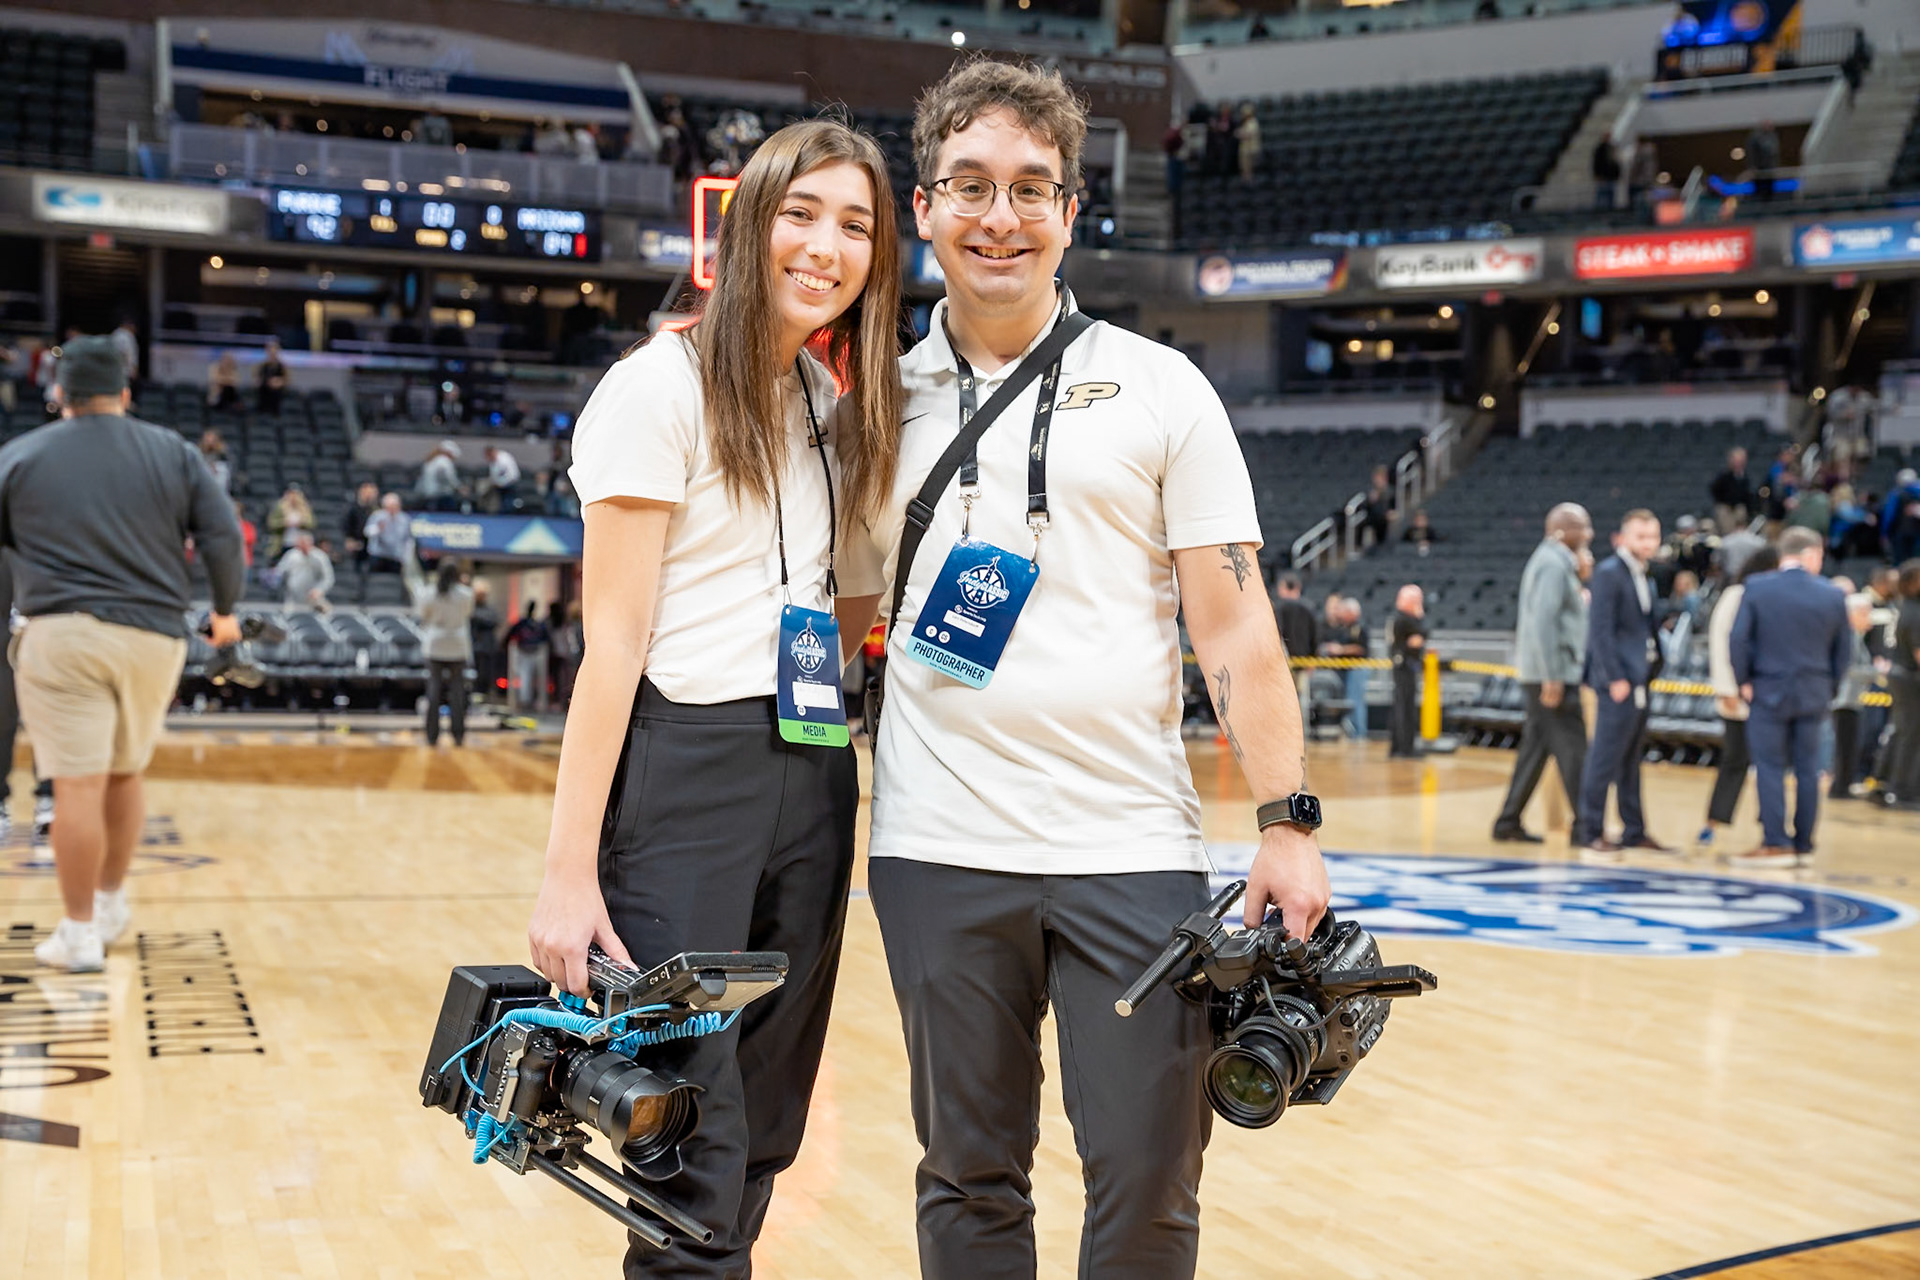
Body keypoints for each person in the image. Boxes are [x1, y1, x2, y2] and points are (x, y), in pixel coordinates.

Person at [849, 61, 1327, 1280]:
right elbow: (840, 605)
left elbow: (1233, 628)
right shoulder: (865, 406)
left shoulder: (1166, 387)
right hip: (937, 847)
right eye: (970, 186)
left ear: (1070, 209)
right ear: (925, 204)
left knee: (1152, 1183)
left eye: (1029, 188)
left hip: (1131, 850)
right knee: (968, 1174)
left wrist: (1287, 822)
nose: (998, 217)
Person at [524, 117, 902, 1280]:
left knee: (768, 1121)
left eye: (855, 224)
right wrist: (566, 867)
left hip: (815, 759)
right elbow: (614, 645)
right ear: (749, 223)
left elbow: (845, 604)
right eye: (802, 212)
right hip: (684, 770)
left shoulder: (829, 406)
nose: (826, 245)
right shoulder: (653, 389)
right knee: (689, 1128)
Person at [0, 336, 244, 971]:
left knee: (75, 783)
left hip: (63, 637)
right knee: (124, 772)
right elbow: (221, 533)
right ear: (125, 392)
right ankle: (108, 904)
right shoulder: (173, 452)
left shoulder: (20, 456)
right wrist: (223, 613)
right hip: (154, 637)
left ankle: (79, 934)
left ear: (58, 394)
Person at [1729, 527, 1851, 867]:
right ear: (1811, 555)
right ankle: (1804, 844)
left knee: (1768, 768)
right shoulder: (1832, 594)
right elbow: (1843, 652)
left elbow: (1738, 639)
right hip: (1814, 692)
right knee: (1808, 770)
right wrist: (1830, 687)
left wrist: (1744, 681)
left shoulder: (1757, 588)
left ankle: (1775, 841)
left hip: (1768, 690)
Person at [1575, 509, 1671, 859]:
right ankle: (1590, 831)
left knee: (1630, 760)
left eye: (1653, 536)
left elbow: (1645, 627)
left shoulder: (1643, 575)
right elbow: (1600, 631)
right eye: (1641, 536)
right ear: (1624, 538)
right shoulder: (1609, 573)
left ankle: (1634, 830)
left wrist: (1656, 665)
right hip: (1619, 682)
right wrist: (1614, 676)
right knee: (1604, 758)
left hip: (1640, 679)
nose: (1648, 543)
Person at [1493, 503, 1591, 843]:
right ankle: (1586, 826)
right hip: (1553, 674)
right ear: (1562, 530)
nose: (1589, 534)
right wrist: (1553, 676)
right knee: (1575, 748)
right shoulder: (1552, 564)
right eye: (1583, 527)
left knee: (1535, 749)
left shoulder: (1556, 562)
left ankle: (1507, 822)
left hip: (1543, 672)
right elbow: (1544, 623)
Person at [1700, 545, 1778, 849]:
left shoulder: (1771, 598)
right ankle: (1712, 823)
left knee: (1769, 764)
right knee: (1734, 760)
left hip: (1767, 695)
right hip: (1738, 694)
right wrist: (1727, 688)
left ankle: (1770, 827)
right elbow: (1720, 644)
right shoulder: (1735, 595)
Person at [405, 554, 475, 746]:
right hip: (458, 644)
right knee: (457, 691)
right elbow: (467, 614)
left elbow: (422, 616)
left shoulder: (428, 593)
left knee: (433, 691)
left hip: (435, 643)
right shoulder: (466, 594)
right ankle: (458, 734)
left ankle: (431, 735)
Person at [1874, 559, 1920, 809]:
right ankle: (1904, 790)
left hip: (1898, 674)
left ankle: (1884, 782)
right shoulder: (1915, 610)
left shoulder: (1902, 606)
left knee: (1900, 731)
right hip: (1910, 678)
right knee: (1911, 735)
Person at [1831, 592, 1879, 801]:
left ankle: (1843, 786)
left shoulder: (1855, 637)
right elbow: (1849, 669)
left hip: (1851, 700)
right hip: (1844, 701)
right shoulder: (1848, 637)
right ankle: (1840, 787)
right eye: (1865, 613)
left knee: (1850, 746)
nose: (1868, 619)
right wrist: (1875, 671)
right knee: (1845, 747)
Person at [1320, 594, 1369, 738]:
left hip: (1357, 669)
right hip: (1343, 670)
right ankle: (1352, 732)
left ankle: (1359, 733)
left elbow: (1361, 648)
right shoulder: (1342, 627)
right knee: (1347, 701)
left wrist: (1341, 649)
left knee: (1355, 702)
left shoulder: (1359, 627)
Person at [1388, 583, 1427, 758]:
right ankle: (1404, 748)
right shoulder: (1403, 619)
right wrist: (1420, 617)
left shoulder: (1398, 619)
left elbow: (1420, 638)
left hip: (1404, 666)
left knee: (1402, 706)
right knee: (1404, 707)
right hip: (1404, 667)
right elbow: (1423, 632)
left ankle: (1400, 746)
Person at [1272, 572, 1317, 723]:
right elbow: (1316, 636)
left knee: (1281, 700)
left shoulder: (1277, 608)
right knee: (1302, 700)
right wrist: (1313, 660)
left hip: (1281, 663)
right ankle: (1302, 731)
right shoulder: (1309, 608)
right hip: (1304, 663)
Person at [504, 602, 550, 714]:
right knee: (526, 677)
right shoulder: (527, 624)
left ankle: (532, 701)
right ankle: (526, 701)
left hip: (535, 652)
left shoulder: (534, 624)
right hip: (526, 652)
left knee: (531, 678)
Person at [273, 528, 334, 612]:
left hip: (313, 597)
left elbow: (328, 577)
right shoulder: (291, 555)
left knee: (326, 612)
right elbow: (280, 571)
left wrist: (319, 589)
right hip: (293, 598)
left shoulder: (320, 556)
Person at [468, 581, 503, 704]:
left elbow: (495, 621)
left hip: (487, 648)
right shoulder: (469, 607)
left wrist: (478, 619)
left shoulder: (490, 609)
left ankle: (485, 697)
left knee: (486, 675)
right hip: (473, 647)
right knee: (474, 675)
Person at [1711, 447, 1757, 533]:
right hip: (1726, 508)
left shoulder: (1744, 476)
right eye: (1736, 460)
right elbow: (1715, 490)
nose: (1738, 463)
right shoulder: (1724, 476)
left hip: (1739, 508)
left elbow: (1746, 495)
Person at [364, 493, 411, 573]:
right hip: (378, 555)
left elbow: (408, 539)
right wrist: (378, 528)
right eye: (389, 507)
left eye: (394, 506)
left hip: (396, 556)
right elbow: (367, 532)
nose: (392, 509)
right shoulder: (377, 516)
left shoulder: (405, 519)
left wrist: (406, 558)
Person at [266, 483, 313, 561]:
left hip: (300, 545)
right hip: (283, 544)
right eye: (291, 493)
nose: (293, 496)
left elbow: (311, 523)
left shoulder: (304, 508)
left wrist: (301, 523)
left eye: (295, 494)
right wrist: (284, 523)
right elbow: (271, 523)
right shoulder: (279, 507)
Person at [417, 440, 463, 512]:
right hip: (440, 496)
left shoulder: (431, 460)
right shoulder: (444, 461)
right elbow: (446, 477)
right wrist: (459, 487)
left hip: (429, 495)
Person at [344, 481, 378, 573]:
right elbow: (347, 525)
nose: (369, 495)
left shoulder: (377, 509)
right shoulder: (353, 509)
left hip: (374, 545)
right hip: (358, 543)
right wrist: (349, 539)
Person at [485, 445, 522, 513]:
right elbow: (494, 475)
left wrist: (501, 483)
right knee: (499, 505)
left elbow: (512, 475)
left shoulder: (504, 459)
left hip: (510, 484)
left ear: (494, 452)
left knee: (508, 504)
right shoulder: (492, 461)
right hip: (499, 486)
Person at [255, 339, 288, 416]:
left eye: (275, 351)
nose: (272, 353)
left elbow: (286, 380)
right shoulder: (262, 366)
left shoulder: (282, 366)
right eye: (271, 351)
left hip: (278, 391)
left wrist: (278, 382)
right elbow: (257, 380)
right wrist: (268, 382)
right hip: (265, 391)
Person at [1591, 135, 1621, 210]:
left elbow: (1616, 163)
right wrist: (1597, 174)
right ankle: (1598, 209)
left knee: (1610, 194)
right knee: (1601, 193)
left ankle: (1609, 208)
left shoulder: (1612, 148)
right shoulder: (1599, 149)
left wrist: (1617, 175)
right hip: (1603, 175)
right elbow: (1596, 163)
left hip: (1611, 176)